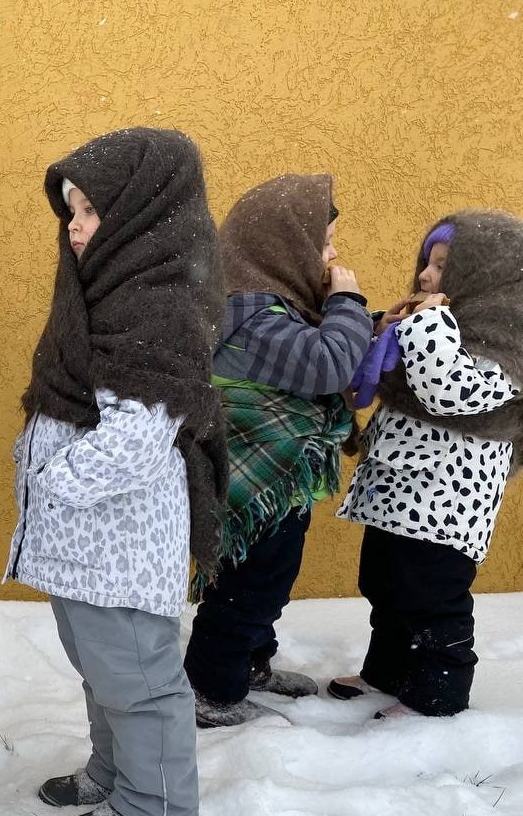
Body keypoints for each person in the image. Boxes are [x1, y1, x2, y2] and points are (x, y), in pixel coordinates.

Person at [6, 129, 228, 816]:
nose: (75, 225)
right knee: (101, 669)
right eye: (69, 210)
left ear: (143, 213)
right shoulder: (107, 289)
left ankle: (157, 805)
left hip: (121, 540)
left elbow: (139, 436)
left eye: (92, 210)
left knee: (137, 678)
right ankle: (113, 772)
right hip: (85, 541)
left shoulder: (157, 303)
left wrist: (53, 481)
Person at [184, 174, 372, 727]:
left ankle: (250, 665)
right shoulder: (250, 312)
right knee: (246, 588)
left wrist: (374, 321)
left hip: (275, 482)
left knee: (267, 580)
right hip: (255, 487)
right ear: (281, 246)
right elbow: (326, 364)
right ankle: (214, 690)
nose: (333, 254)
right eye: (325, 242)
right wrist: (349, 301)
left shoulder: (265, 308)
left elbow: (318, 346)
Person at [332, 213, 523, 718]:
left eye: (442, 266)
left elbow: (452, 391)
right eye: (427, 262)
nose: (424, 275)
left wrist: (426, 324)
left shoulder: (507, 339)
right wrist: (387, 332)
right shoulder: (433, 325)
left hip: (449, 498)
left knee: (431, 595)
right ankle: (388, 671)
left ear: (485, 274)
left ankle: (438, 693)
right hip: (398, 487)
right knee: (384, 583)